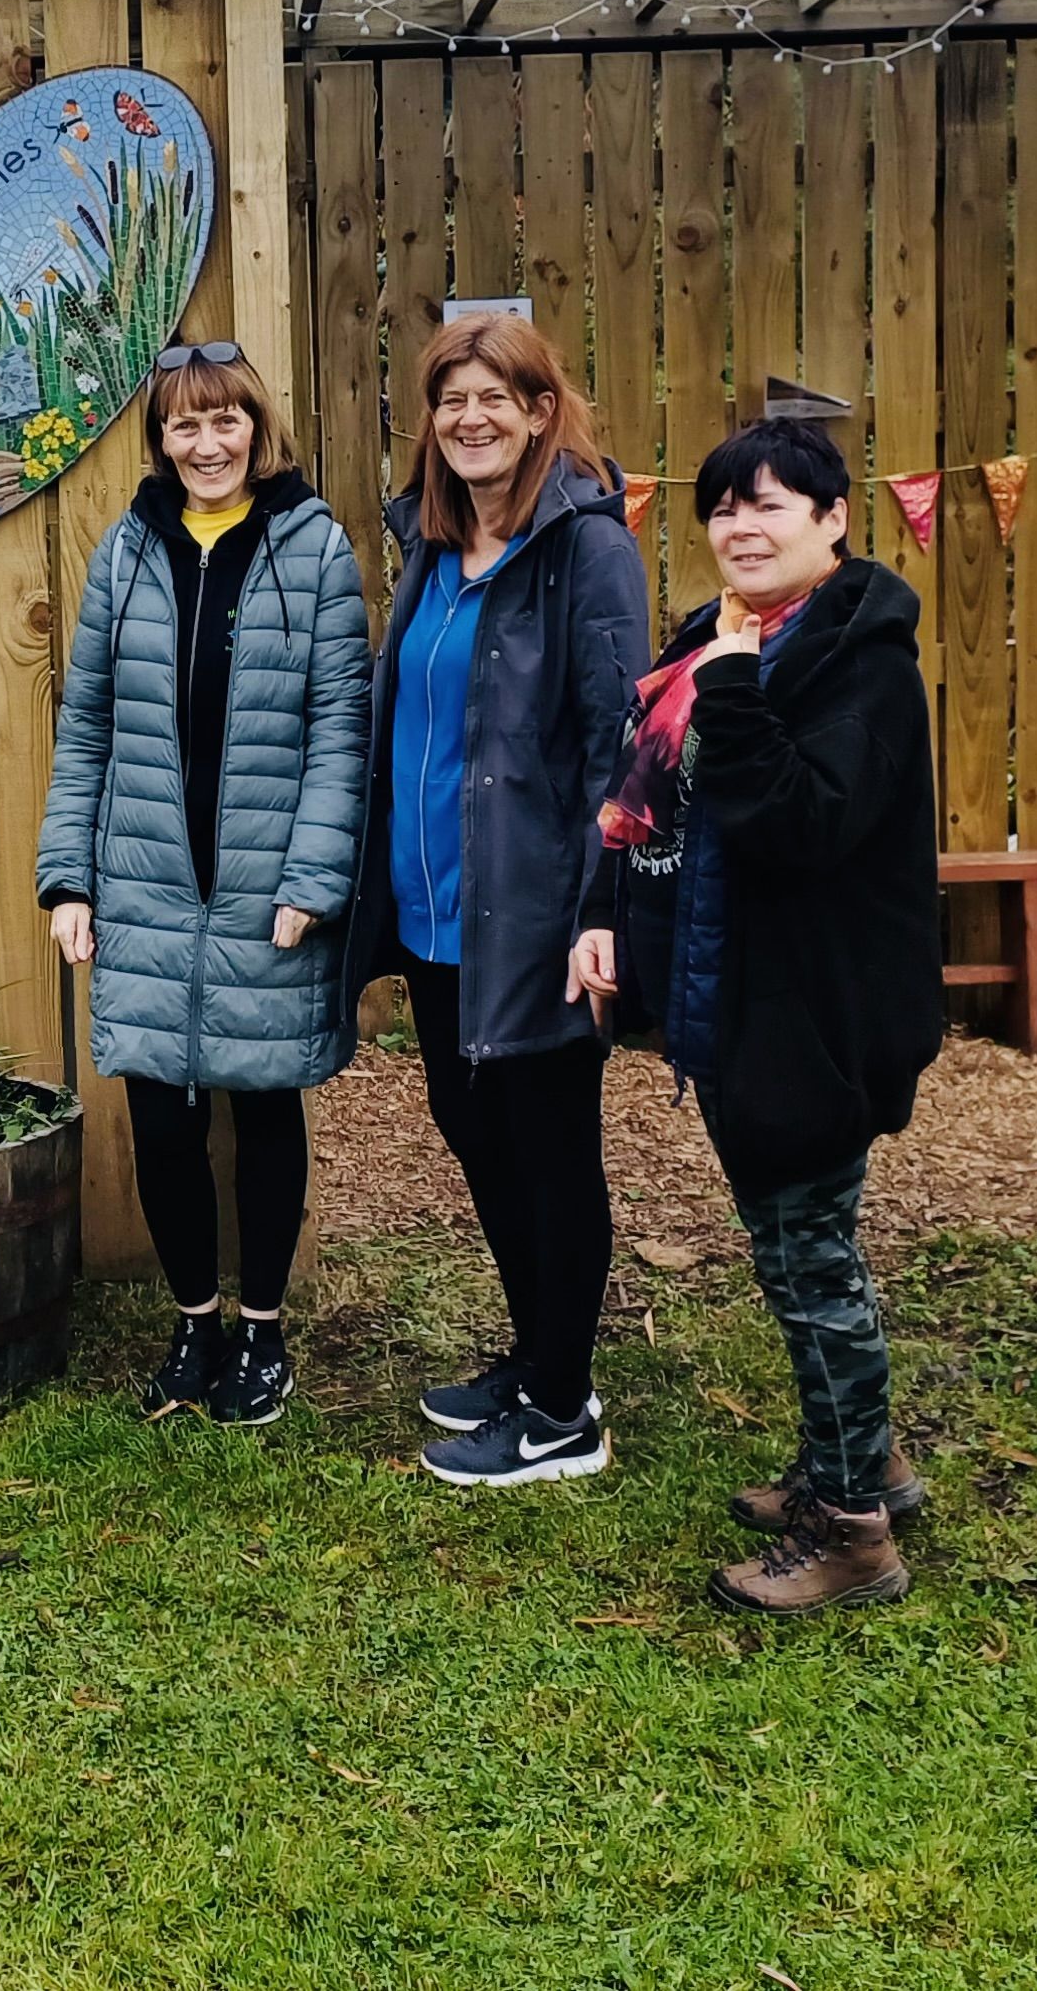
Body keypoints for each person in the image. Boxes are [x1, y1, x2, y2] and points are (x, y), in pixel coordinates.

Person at [569, 419, 943, 1614]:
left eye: (773, 504)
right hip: (731, 1002)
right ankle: (857, 1454)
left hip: (815, 1015)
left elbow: (799, 824)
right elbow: (644, 805)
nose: (742, 524)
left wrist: (730, 692)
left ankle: (852, 1532)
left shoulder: (857, 663)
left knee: (810, 1261)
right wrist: (603, 916)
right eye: (726, 506)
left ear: (833, 519)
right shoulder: (720, 641)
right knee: (797, 1259)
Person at [37, 339, 370, 1427]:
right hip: (139, 880)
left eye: (224, 419)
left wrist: (313, 876)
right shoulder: (126, 553)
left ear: (254, 427)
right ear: (161, 441)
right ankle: (193, 1324)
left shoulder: (314, 550)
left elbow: (339, 728)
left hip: (265, 888)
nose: (207, 441)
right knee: (163, 1120)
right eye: (185, 424)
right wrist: (66, 879)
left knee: (263, 1110)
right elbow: (85, 723)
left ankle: (263, 1333)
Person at [343, 315, 647, 1488]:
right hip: (433, 914)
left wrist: (597, 910)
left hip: (533, 917)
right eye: (449, 399)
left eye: (495, 398)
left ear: (537, 411)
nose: (470, 418)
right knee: (476, 1134)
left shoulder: (585, 547)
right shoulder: (430, 547)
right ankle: (538, 1359)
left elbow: (621, 749)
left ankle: (564, 1414)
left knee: (550, 1152)